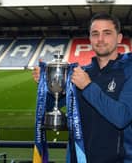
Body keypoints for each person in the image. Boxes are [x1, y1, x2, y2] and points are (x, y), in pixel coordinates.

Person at [32, 13, 132, 163]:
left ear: (119, 38)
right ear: (90, 38)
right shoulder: (81, 72)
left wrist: (87, 86)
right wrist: (47, 85)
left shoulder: (128, 70)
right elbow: (52, 107)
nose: (100, 39)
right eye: (95, 34)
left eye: (107, 33)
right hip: (78, 158)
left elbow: (122, 118)